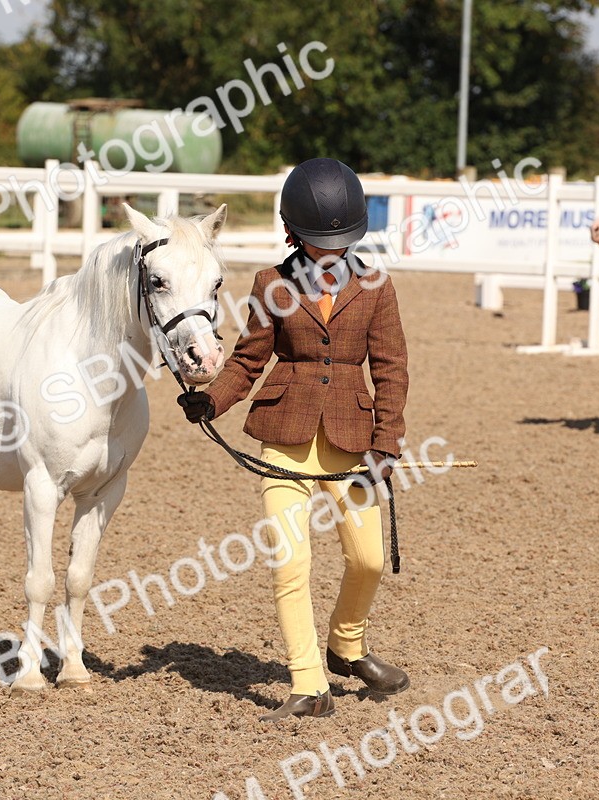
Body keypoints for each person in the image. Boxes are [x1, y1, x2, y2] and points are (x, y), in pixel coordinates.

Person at [177, 158, 410, 721]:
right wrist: (212, 398)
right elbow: (249, 359)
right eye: (317, 242)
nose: (330, 253)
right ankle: (308, 684)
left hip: (352, 441)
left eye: (340, 243)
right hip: (284, 438)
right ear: (292, 233)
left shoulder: (376, 287)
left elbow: (392, 368)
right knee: (290, 560)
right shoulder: (271, 284)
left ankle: (346, 646)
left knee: (370, 560)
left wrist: (386, 445)